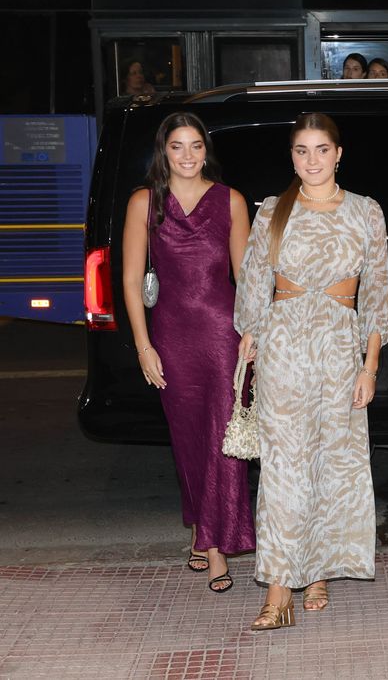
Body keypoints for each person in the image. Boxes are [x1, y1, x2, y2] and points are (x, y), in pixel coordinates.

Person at [235, 112, 388, 630]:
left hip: (340, 350)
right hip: (285, 346)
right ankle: (279, 590)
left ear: (339, 153)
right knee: (284, 468)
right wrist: (250, 340)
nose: (312, 160)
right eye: (302, 151)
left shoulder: (366, 212)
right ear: (292, 156)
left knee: (332, 463)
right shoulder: (272, 211)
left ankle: (316, 569)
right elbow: (255, 282)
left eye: (322, 149)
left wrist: (370, 367)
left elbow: (375, 297)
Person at [122, 112, 255, 593]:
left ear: (206, 150)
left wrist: (251, 331)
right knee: (187, 437)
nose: (187, 156)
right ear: (164, 152)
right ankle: (203, 525)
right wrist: (143, 345)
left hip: (223, 335)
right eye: (177, 146)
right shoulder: (144, 202)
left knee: (224, 438)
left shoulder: (231, 200)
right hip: (172, 336)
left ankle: (217, 548)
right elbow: (131, 280)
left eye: (195, 145)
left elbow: (246, 277)